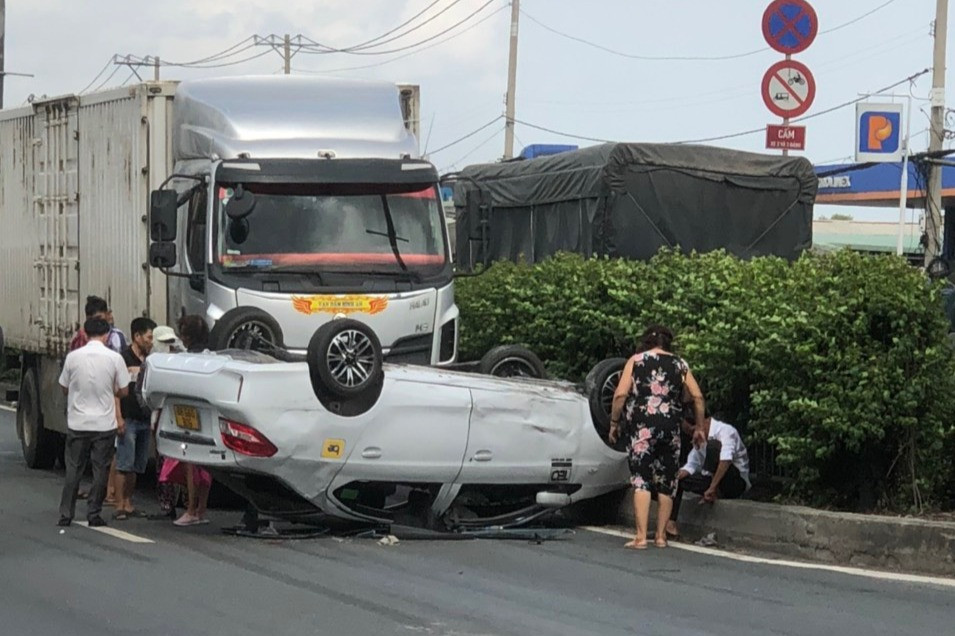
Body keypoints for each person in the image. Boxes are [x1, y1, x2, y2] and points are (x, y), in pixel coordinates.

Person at [609, 325, 706, 549]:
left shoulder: (636, 360)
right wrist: (699, 426)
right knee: (667, 481)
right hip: (671, 428)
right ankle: (661, 537)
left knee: (642, 479)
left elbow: (620, 394)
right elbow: (698, 396)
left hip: (643, 427)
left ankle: (641, 537)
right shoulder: (680, 364)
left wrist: (614, 423)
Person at [58, 317, 131, 527]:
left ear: (84, 333)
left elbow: (64, 386)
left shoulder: (73, 357)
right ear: (107, 335)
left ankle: (66, 513)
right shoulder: (114, 358)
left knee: (74, 469)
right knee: (101, 470)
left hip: (78, 423)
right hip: (104, 424)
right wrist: (110, 391)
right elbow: (124, 390)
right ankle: (93, 513)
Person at [157, 315, 214, 527]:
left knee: (190, 464)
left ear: (187, 338)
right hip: (210, 416)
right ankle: (201, 509)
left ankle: (190, 509)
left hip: (189, 417)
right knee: (207, 465)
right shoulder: (213, 357)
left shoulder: (185, 361)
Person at [666, 411, 751, 538]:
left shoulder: (726, 431)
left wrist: (712, 487)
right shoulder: (698, 439)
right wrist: (678, 474)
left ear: (704, 422)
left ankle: (714, 491)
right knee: (679, 481)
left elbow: (726, 459)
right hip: (710, 480)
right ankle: (670, 523)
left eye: (693, 431)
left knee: (713, 447)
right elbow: (692, 464)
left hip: (734, 481)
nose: (693, 436)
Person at [113, 317, 156, 520]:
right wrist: (118, 417)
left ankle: (129, 502)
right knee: (124, 464)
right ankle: (119, 503)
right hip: (128, 417)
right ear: (137, 336)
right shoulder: (123, 359)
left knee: (138, 466)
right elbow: (115, 391)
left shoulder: (150, 361)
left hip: (144, 419)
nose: (151, 341)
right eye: (148, 337)